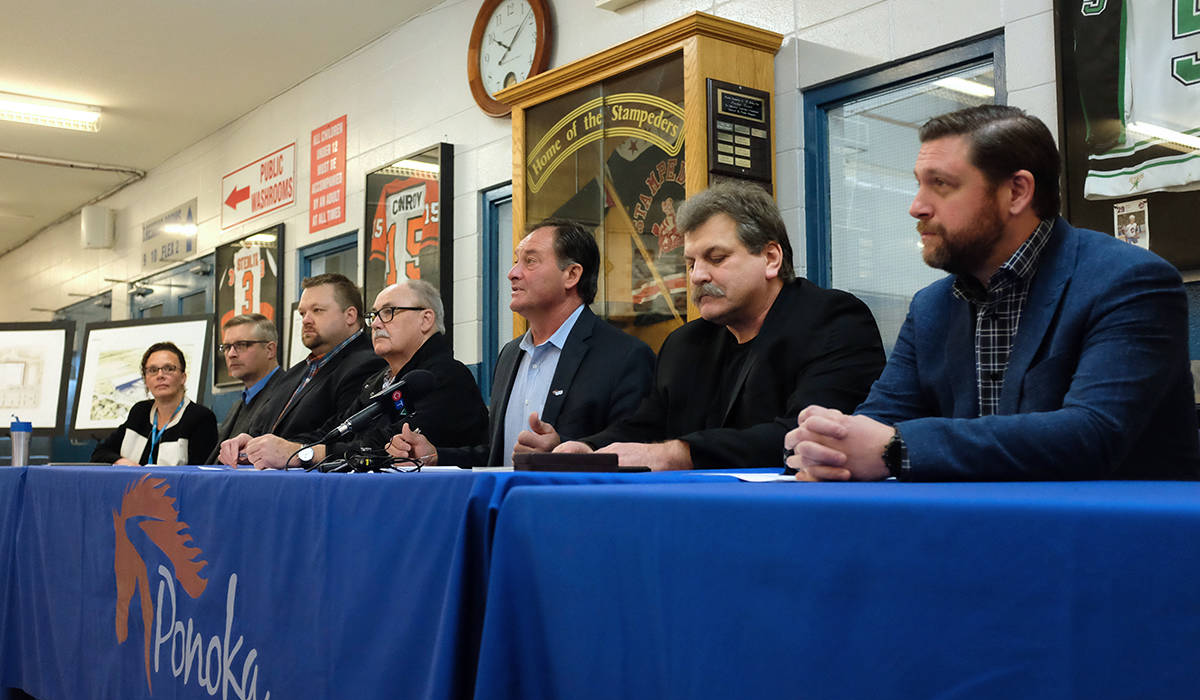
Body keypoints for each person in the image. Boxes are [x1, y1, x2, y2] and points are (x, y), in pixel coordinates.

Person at [785, 105, 1200, 481]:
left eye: (941, 184)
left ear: (1017, 192)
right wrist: (832, 443)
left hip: (1119, 542)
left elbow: (1093, 433)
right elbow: (882, 418)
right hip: (980, 533)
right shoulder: (932, 305)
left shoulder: (1130, 280)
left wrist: (897, 448)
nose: (916, 206)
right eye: (919, 184)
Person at [539, 180, 886, 470]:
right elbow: (646, 426)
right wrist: (590, 448)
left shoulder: (835, 320)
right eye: (690, 263)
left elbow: (806, 435)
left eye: (716, 258)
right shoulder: (684, 344)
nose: (697, 276)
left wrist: (681, 453)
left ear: (770, 258)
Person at [387, 220, 655, 467]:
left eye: (530, 261)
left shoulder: (624, 356)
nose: (512, 273)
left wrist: (563, 454)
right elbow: (499, 457)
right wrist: (435, 455)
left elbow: (636, 452)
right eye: (516, 261)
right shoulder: (510, 354)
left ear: (571, 275)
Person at [237, 279, 488, 469]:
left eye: (389, 312)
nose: (377, 323)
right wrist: (264, 445)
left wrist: (302, 453)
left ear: (425, 320)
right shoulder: (378, 381)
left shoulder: (443, 377)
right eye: (374, 315)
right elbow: (332, 431)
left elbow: (384, 446)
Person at [218, 273, 384, 467]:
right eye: (303, 313)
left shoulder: (368, 364)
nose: (306, 320)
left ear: (350, 315)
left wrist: (286, 449)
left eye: (317, 310)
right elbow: (262, 427)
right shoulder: (295, 373)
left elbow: (343, 436)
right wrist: (248, 442)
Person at [93, 342, 217, 466]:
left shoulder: (201, 418)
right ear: (146, 380)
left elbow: (200, 475)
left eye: (168, 369)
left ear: (183, 377)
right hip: (133, 485)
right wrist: (123, 462)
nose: (160, 375)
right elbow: (100, 453)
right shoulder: (140, 412)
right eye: (152, 370)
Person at [203, 313, 284, 464]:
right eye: (227, 347)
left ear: (270, 350)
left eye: (241, 345)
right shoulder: (239, 404)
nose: (231, 354)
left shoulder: (287, 395)